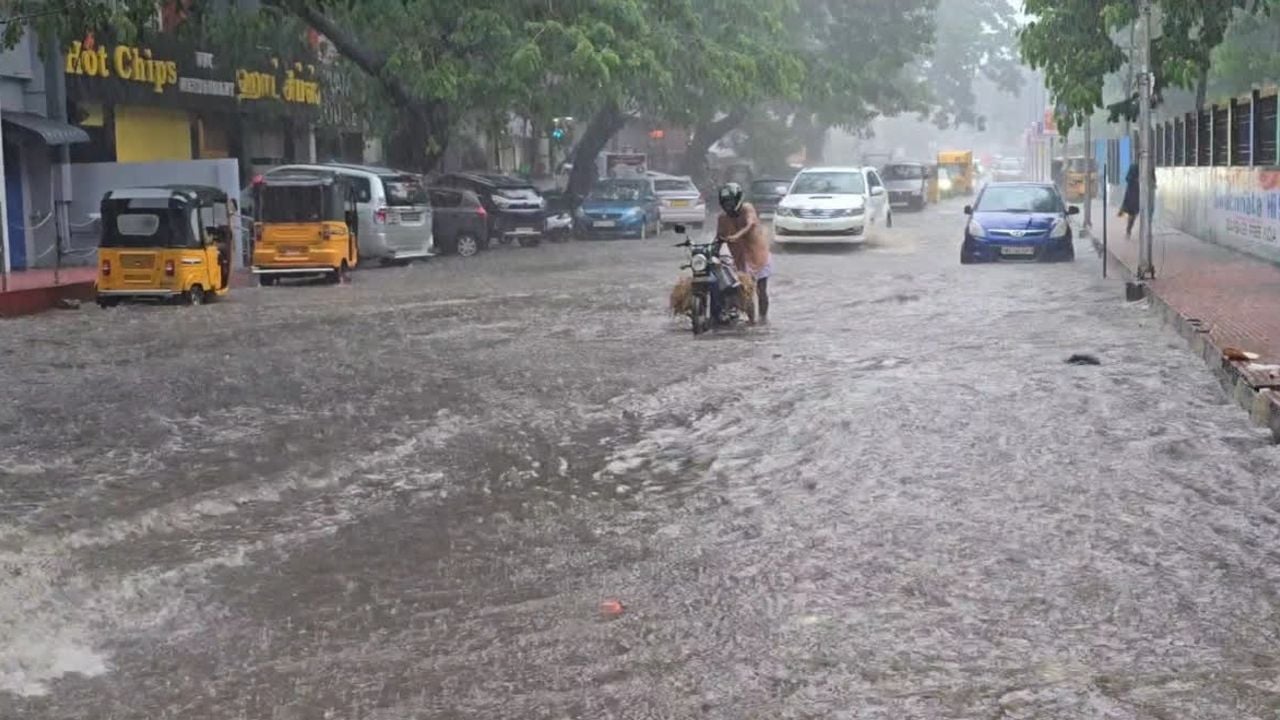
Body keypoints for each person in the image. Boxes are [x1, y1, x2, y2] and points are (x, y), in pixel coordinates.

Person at [715, 182, 773, 324]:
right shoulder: (722, 218)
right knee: (746, 291)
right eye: (725, 203)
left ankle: (763, 319)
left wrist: (736, 236)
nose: (728, 205)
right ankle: (751, 321)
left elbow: (750, 224)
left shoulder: (747, 208)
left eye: (730, 202)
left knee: (761, 290)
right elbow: (718, 238)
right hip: (740, 258)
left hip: (758, 256)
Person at [1121, 161, 1156, 240]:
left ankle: (1147, 232)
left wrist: (1151, 185)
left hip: (1146, 194)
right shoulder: (1134, 167)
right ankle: (1128, 230)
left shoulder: (1150, 167)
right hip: (1135, 195)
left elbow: (1154, 181)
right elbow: (1127, 178)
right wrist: (1137, 180)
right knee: (1132, 215)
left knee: (1148, 215)